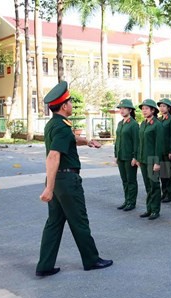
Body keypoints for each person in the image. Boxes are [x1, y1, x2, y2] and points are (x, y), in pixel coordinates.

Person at [37, 81, 112, 277]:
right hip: (66, 181)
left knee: (54, 223)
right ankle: (91, 260)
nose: (72, 105)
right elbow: (53, 156)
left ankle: (44, 265)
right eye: (70, 102)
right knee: (79, 221)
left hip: (57, 181)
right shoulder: (61, 127)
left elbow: (70, 139)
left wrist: (87, 141)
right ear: (63, 106)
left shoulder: (55, 124)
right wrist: (49, 188)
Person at [137, 99, 163, 220]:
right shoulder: (143, 123)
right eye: (143, 109)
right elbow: (140, 143)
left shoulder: (157, 125)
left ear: (153, 110)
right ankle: (149, 209)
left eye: (146, 108)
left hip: (152, 160)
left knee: (154, 185)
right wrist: (138, 158)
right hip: (143, 159)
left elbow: (159, 145)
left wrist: (157, 162)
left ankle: (155, 210)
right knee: (148, 186)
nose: (144, 111)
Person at [114, 99, 139, 211]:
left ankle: (132, 202)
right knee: (124, 180)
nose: (122, 110)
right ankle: (127, 200)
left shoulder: (133, 124)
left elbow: (137, 142)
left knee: (131, 180)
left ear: (130, 110)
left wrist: (135, 157)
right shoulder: (120, 123)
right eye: (120, 108)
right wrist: (116, 154)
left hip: (129, 157)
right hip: (121, 156)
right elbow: (117, 140)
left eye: (124, 108)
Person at [157, 98, 171, 203]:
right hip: (161, 150)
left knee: (170, 174)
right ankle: (164, 193)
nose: (161, 108)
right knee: (163, 174)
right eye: (160, 106)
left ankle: (170, 194)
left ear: (169, 108)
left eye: (164, 106)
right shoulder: (159, 120)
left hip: (168, 150)